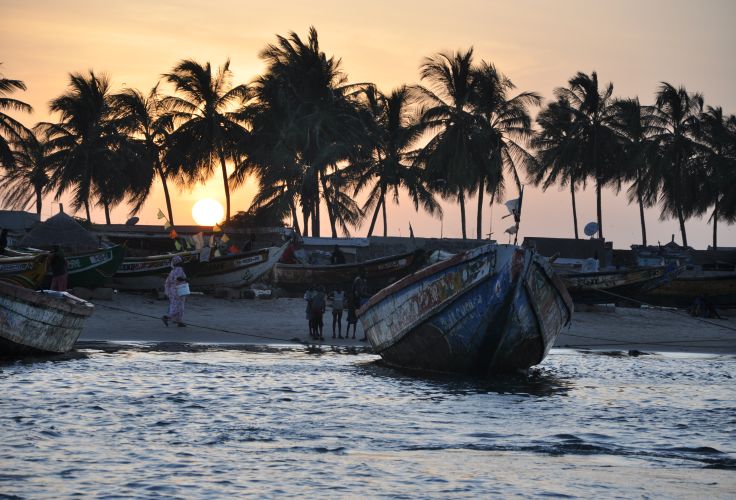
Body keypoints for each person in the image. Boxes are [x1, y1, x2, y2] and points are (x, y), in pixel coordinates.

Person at [162, 255, 188, 327]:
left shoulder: (172, 271)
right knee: (179, 306)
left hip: (172, 290)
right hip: (178, 289)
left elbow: (169, 281)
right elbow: (178, 279)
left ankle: (179, 321)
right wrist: (185, 279)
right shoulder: (180, 269)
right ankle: (167, 317)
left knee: (175, 305)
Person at [352, 269, 368, 341]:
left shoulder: (362, 280)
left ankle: (365, 336)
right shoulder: (358, 280)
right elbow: (360, 293)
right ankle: (363, 336)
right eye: (364, 272)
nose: (366, 274)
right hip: (359, 301)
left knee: (365, 319)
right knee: (362, 319)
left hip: (361, 300)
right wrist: (370, 295)